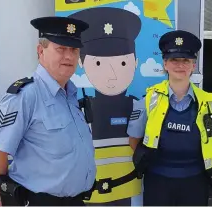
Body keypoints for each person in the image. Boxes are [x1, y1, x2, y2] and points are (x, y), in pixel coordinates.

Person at [0, 16, 96, 206]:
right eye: (61, 48)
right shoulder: (25, 96)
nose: (69, 56)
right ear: (40, 51)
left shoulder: (70, 95)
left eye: (74, 50)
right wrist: (5, 197)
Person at [127, 30, 212, 206]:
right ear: (165, 64)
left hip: (195, 182)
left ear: (193, 65)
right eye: (174, 60)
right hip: (158, 182)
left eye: (186, 60)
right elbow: (134, 139)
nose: (180, 65)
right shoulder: (148, 100)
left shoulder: (211, 103)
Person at [68, 8, 142, 205]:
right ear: (82, 62)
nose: (112, 74)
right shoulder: (75, 108)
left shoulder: (140, 106)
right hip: (87, 194)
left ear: (135, 62)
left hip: (127, 191)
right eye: (99, 63)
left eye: (123, 64)